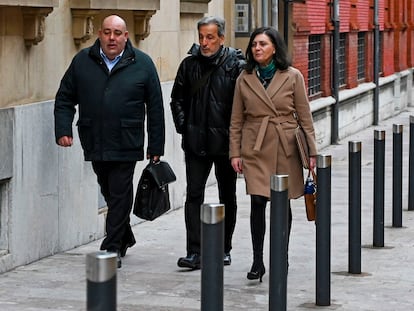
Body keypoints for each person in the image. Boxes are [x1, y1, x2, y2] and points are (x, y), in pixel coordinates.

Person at [54, 15, 165, 268]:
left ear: (126, 36)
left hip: (127, 141)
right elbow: (64, 97)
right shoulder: (83, 60)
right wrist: (63, 128)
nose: (112, 38)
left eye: (117, 33)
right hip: (94, 139)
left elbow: (156, 108)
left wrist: (155, 147)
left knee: (119, 192)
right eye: (107, 32)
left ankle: (112, 246)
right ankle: (124, 234)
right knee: (109, 191)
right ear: (99, 34)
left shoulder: (143, 63)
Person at [229, 27, 317, 282]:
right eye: (255, 44)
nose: (257, 48)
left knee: (282, 203)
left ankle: (282, 256)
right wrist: (235, 152)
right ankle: (258, 260)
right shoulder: (244, 78)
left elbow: (305, 116)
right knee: (257, 202)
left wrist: (312, 151)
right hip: (254, 146)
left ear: (275, 48)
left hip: (284, 144)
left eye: (263, 44)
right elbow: (236, 119)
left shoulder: (293, 77)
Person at [170, 16, 245, 270]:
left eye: (210, 37)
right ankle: (195, 251)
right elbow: (176, 99)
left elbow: (245, 104)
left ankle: (225, 248)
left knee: (228, 195)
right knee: (193, 195)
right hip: (196, 144)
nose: (204, 42)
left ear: (221, 38)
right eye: (201, 36)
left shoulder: (236, 65)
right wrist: (185, 126)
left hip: (225, 145)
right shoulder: (189, 65)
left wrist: (237, 139)